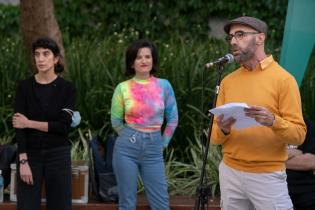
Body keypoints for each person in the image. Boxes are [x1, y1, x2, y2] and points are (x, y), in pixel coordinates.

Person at [210, 16, 307, 210]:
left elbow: (299, 135)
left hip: (267, 176)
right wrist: (224, 130)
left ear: (260, 38)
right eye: (231, 37)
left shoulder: (284, 80)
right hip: (230, 173)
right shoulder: (228, 81)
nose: (233, 42)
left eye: (240, 35)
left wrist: (273, 121)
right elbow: (214, 138)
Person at [110, 39, 178, 210]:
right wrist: (129, 137)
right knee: (127, 203)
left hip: (154, 148)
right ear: (132, 62)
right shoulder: (122, 88)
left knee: (161, 203)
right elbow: (116, 120)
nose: (144, 60)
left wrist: (162, 144)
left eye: (148, 56)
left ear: (153, 60)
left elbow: (173, 119)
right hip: (126, 149)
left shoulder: (164, 86)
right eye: (138, 57)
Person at [12, 37, 75, 210]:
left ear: (56, 59)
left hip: (58, 155)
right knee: (27, 206)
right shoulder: (24, 87)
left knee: (60, 206)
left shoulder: (67, 89)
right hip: (30, 156)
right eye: (37, 54)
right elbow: (19, 127)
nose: (40, 59)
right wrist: (23, 161)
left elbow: (62, 127)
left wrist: (29, 123)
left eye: (46, 54)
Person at [286, 117, 315, 210]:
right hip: (271, 186)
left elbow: (312, 162)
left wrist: (270, 159)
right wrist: (295, 153)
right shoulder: (260, 124)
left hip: (306, 189)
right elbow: (255, 158)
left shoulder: (305, 124)